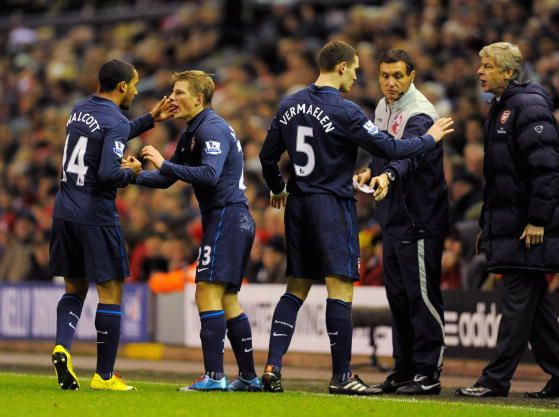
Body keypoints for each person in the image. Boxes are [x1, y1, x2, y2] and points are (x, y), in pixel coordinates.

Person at [258, 40, 454, 396]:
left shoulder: (288, 104)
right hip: (331, 205)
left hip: (298, 204)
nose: (359, 75)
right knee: (340, 289)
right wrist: (429, 139)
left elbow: (266, 157)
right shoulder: (346, 111)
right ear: (343, 67)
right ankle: (343, 374)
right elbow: (393, 149)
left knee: (296, 288)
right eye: (358, 69)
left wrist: (278, 189)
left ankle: (272, 367)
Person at [456, 42, 559, 398]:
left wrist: (539, 220)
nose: (479, 71)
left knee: (515, 305)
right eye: (480, 64)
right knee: (535, 307)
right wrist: (487, 226)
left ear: (509, 73)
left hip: (531, 228)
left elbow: (548, 170)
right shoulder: (502, 107)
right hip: (514, 226)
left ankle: (494, 380)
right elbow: (499, 179)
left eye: (488, 65)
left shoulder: (527, 106)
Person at [133, 70, 260, 392]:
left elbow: (209, 174)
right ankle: (247, 376)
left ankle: (214, 376)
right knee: (228, 298)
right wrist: (130, 177)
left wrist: (162, 163)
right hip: (230, 218)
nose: (172, 98)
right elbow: (166, 179)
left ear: (198, 99)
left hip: (227, 217)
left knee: (205, 290)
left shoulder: (211, 128)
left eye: (179, 93)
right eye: (172, 92)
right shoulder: (194, 131)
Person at [50, 59, 173, 391]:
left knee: (74, 289)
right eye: (134, 84)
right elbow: (108, 172)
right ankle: (104, 375)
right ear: (122, 87)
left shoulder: (79, 110)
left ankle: (63, 346)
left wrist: (149, 119)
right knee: (111, 291)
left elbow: (106, 132)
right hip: (96, 214)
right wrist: (131, 173)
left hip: (64, 210)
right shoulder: (115, 121)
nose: (135, 89)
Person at [353, 49, 448, 395]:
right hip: (394, 218)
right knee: (399, 298)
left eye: (397, 76)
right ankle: (405, 369)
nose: (390, 83)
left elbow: (412, 154)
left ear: (412, 76)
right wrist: (371, 170)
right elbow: (383, 150)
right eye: (384, 76)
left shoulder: (419, 113)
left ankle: (428, 372)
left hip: (419, 219)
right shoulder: (383, 107)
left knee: (421, 298)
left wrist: (389, 176)